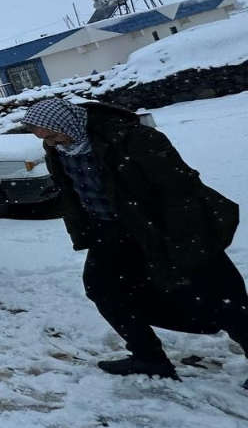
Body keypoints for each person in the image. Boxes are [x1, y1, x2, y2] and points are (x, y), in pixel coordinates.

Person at [24, 98, 246, 384]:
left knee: (218, 296)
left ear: (67, 122)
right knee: (103, 289)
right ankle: (149, 357)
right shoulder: (61, 147)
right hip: (109, 230)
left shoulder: (131, 138)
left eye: (53, 135)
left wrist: (179, 237)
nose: (52, 143)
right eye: (45, 138)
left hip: (164, 228)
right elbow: (72, 190)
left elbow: (181, 187)